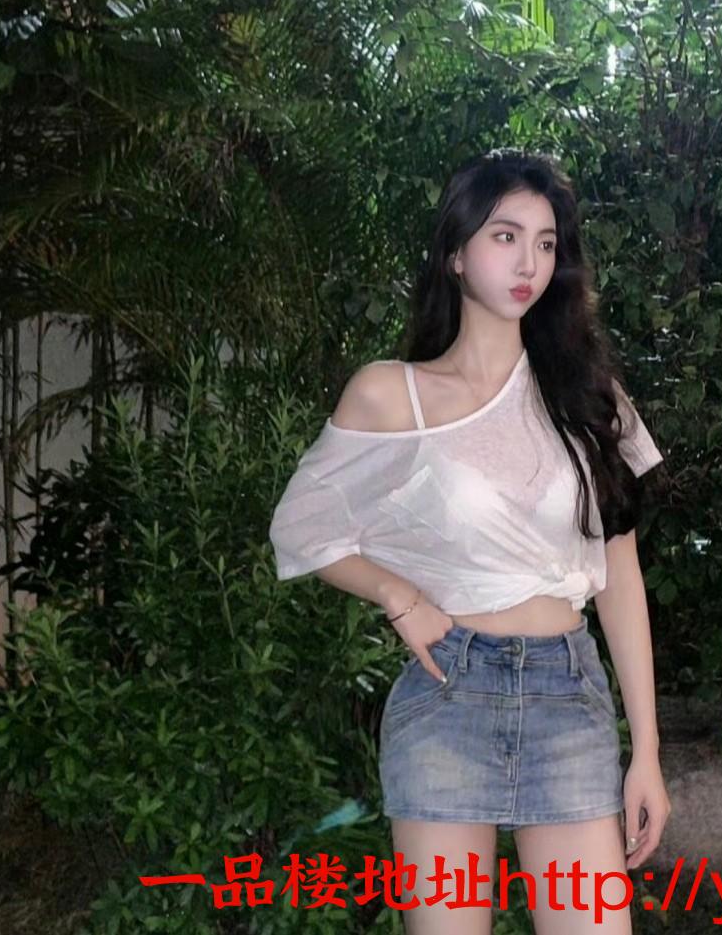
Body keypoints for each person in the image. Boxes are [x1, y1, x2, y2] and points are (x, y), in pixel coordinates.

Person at [269, 149, 671, 932]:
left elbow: (619, 574)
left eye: (546, 243)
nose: (528, 262)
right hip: (448, 696)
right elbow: (302, 524)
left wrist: (646, 750)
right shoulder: (393, 394)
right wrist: (397, 594)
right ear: (455, 252)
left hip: (568, 699)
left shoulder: (588, 397)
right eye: (505, 236)